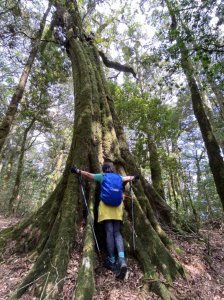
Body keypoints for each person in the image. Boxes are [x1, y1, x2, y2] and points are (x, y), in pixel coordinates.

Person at [71, 160, 139, 279]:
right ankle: (122, 260)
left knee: (109, 233)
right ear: (112, 168)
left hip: (106, 207)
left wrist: (78, 171)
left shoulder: (102, 176)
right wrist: (134, 177)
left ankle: (112, 260)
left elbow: (89, 175)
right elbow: (128, 178)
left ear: (104, 169)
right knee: (117, 233)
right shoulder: (118, 177)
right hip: (117, 208)